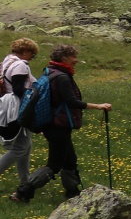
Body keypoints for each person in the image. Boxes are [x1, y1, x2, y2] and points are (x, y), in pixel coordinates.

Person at [11, 44, 110, 204]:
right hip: (58, 126)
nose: (76, 60)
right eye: (74, 57)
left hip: (53, 125)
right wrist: (98, 106)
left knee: (69, 159)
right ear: (64, 58)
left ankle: (72, 192)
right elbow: (71, 101)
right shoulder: (62, 77)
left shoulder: (50, 73)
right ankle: (23, 192)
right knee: (54, 164)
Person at [0, 38, 36, 190]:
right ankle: (25, 182)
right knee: (20, 147)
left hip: (6, 105)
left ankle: (25, 182)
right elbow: (18, 89)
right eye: (32, 54)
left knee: (26, 145)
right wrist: (34, 93)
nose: (32, 58)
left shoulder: (6, 62)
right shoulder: (20, 65)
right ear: (25, 51)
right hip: (17, 107)